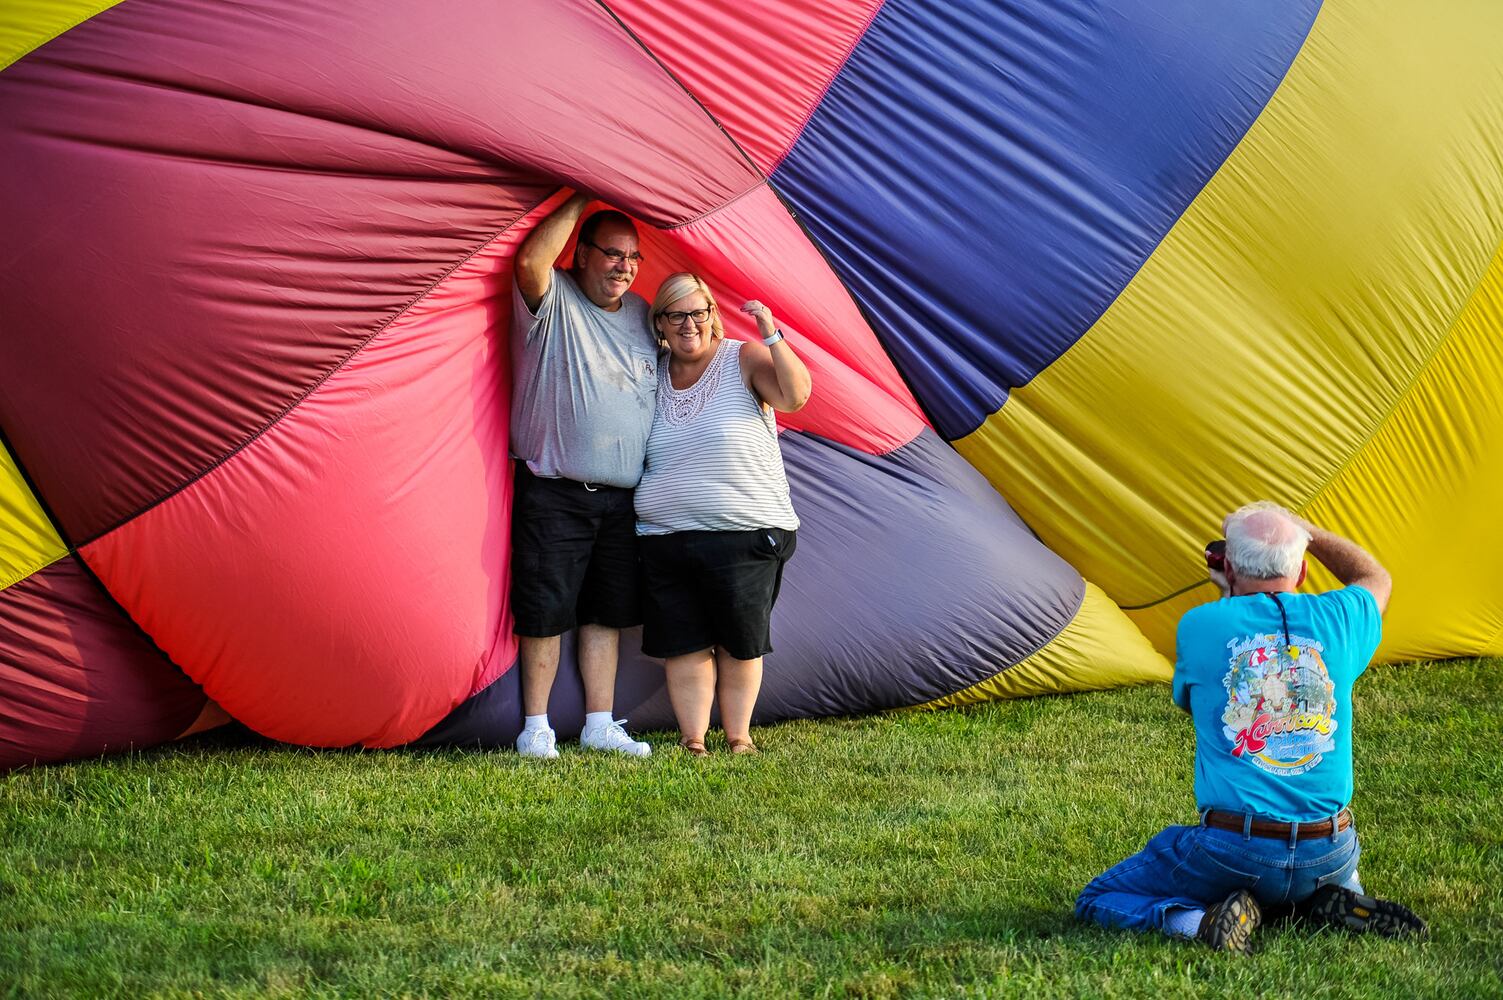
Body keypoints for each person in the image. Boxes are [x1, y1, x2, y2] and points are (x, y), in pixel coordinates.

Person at [1075, 502, 1425, 953]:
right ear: (1300, 571)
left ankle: (1199, 922)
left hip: (1235, 851)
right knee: (1301, 874)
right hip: (1332, 850)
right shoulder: (1341, 617)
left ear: (1229, 567)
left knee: (1099, 896)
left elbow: (1197, 703)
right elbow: (1376, 578)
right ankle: (1325, 898)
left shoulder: (1200, 625)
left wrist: (1231, 594)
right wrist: (1306, 532)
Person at [634, 273, 811, 756]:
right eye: (677, 314)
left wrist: (770, 334)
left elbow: (794, 397)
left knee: (739, 643)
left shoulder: (743, 356)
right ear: (661, 324)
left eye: (699, 312)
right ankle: (693, 740)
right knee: (684, 645)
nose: (689, 323)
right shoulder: (652, 372)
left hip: (745, 533)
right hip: (664, 537)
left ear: (713, 314)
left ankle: (738, 738)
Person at [508, 192, 659, 758]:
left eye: (634, 257)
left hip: (622, 499)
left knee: (606, 612)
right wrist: (581, 191)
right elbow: (529, 262)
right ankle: (536, 728)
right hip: (555, 489)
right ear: (581, 255)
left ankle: (599, 725)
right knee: (546, 609)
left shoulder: (646, 315)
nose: (625, 266)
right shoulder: (556, 299)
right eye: (613, 254)